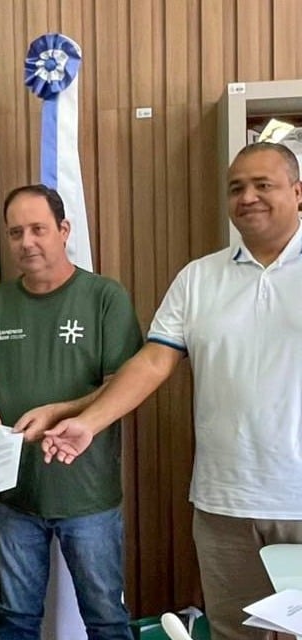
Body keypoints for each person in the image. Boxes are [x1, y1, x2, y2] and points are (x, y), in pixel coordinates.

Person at [38, 142, 302, 640]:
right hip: (224, 502)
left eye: (262, 185)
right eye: (236, 188)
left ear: (298, 192)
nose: (247, 197)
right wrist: (89, 423)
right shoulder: (199, 278)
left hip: (299, 500)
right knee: (234, 632)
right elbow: (153, 361)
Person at [0, 184, 142, 640]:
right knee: (15, 619)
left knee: (105, 618)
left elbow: (124, 384)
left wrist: (60, 410)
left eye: (38, 229)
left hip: (87, 497)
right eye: (16, 232)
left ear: (64, 230)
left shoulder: (105, 297)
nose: (26, 242)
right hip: (13, 496)